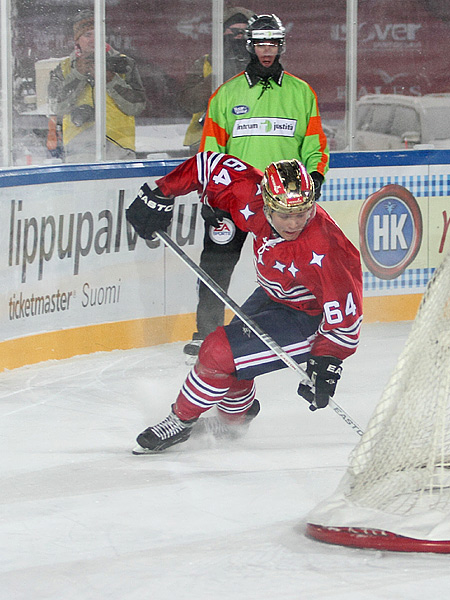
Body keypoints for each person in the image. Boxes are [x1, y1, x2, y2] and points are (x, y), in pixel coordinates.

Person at [125, 152, 362, 453]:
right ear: (266, 204)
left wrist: (327, 362)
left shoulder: (327, 248)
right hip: (274, 295)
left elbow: (347, 321)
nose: (294, 223)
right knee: (234, 360)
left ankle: (180, 421)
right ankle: (235, 422)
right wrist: (161, 193)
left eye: (302, 212)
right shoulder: (248, 193)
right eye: (284, 215)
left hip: (310, 320)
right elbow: (207, 164)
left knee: (217, 351)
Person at [184, 13, 330, 358]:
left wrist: (316, 177)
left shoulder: (300, 92)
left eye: (274, 43)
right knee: (216, 264)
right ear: (250, 45)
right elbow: (211, 150)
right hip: (234, 198)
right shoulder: (226, 94)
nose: (268, 50)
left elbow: (315, 145)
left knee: (298, 266)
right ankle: (207, 333)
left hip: (286, 200)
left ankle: (304, 328)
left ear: (281, 45)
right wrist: (210, 193)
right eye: (262, 43)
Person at [47, 10, 147, 162]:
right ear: (77, 39)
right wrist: (78, 75)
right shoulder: (64, 68)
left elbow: (137, 106)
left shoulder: (124, 64)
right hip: (79, 147)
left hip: (119, 146)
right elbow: (56, 107)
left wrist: (111, 79)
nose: (93, 39)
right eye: (87, 35)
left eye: (98, 33)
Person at [178, 6, 255, 153]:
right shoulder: (205, 63)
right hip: (206, 138)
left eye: (244, 32)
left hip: (249, 137)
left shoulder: (263, 65)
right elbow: (188, 103)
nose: (238, 36)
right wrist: (216, 77)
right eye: (233, 31)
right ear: (222, 32)